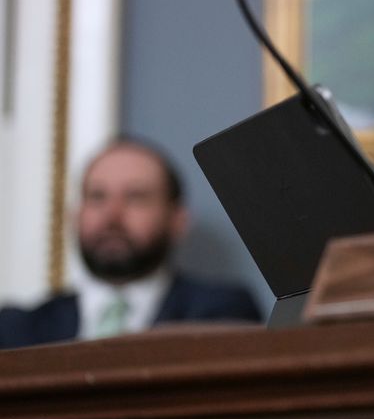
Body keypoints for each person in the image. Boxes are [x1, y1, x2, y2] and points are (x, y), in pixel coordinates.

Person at [0, 137, 261, 349]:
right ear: (75, 216)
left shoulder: (222, 312)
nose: (112, 216)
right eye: (97, 196)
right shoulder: (17, 330)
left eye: (135, 197)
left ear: (177, 221)